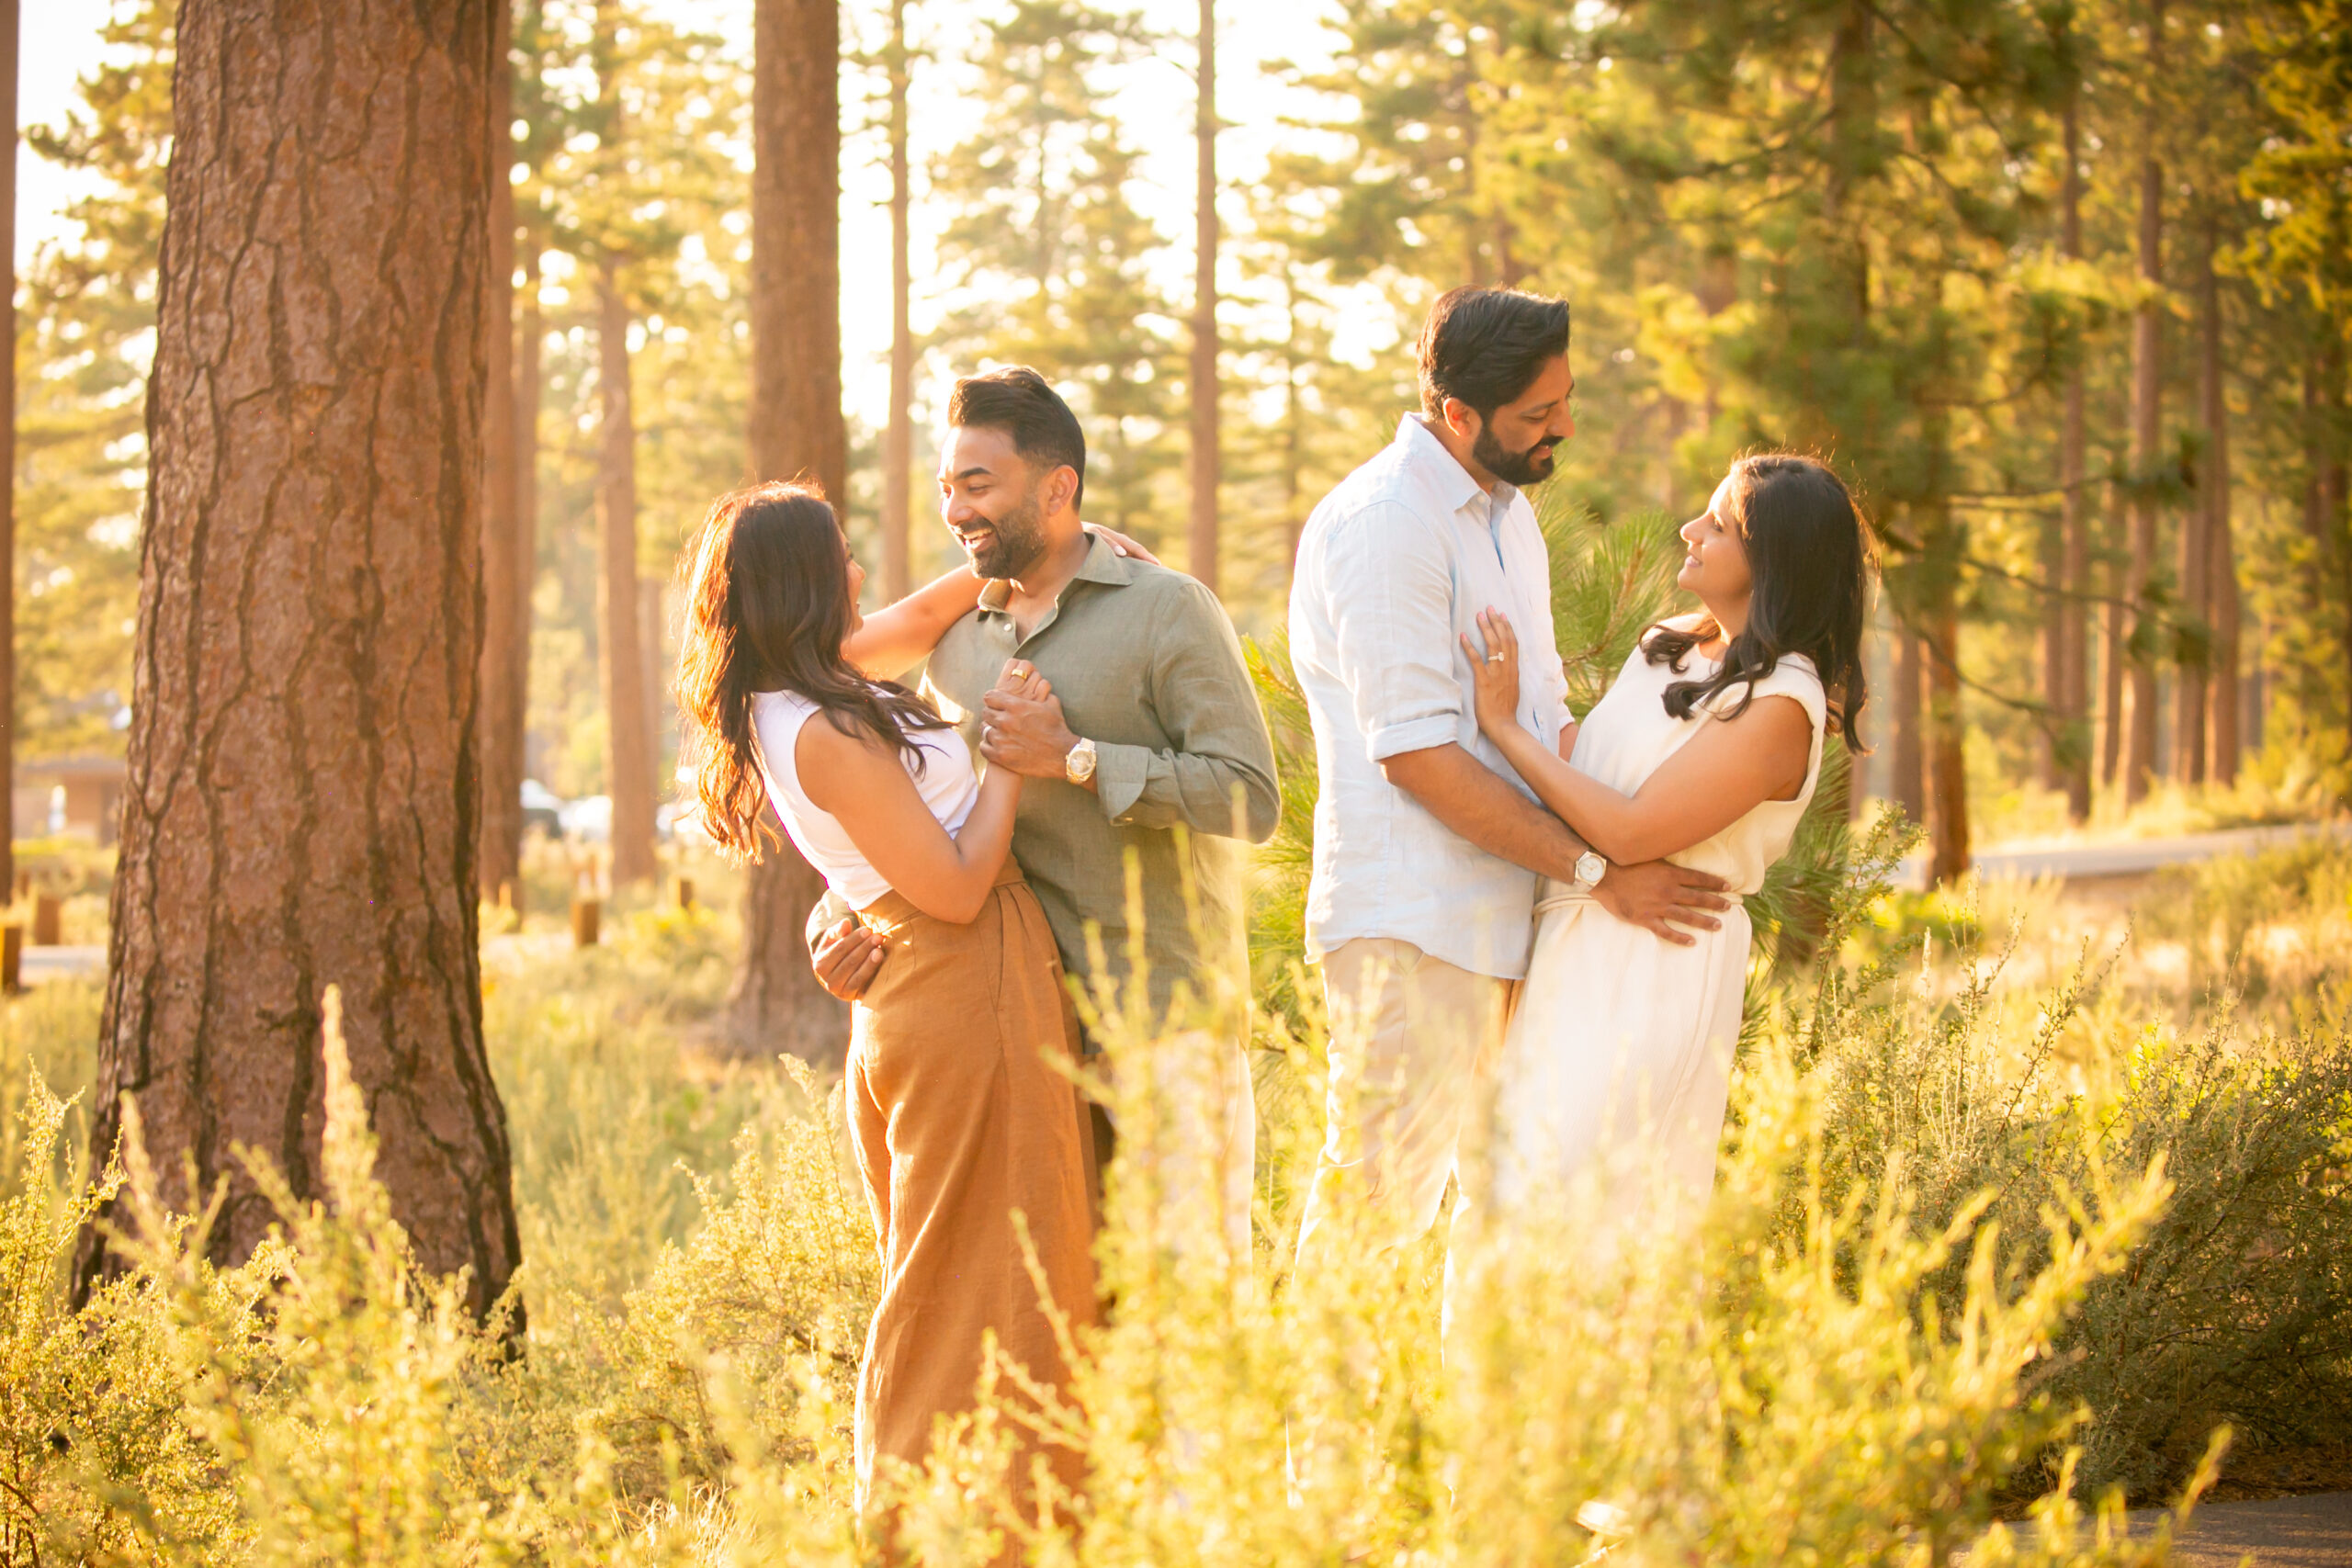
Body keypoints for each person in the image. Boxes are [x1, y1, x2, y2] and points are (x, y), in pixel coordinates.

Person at [1286, 285, 1735, 1274]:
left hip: (1511, 921)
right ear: (1457, 415)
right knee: (1373, 1211)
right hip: (1415, 926)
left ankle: (1452, 1432)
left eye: (1564, 401)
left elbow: (1544, 725)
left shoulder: (1508, 522)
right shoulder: (1385, 524)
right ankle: (1314, 1437)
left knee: (1495, 1219)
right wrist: (1595, 872)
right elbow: (1416, 756)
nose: (1562, 429)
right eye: (1539, 414)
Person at [673, 479, 1097, 1517]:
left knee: (958, 1273)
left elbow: (917, 618)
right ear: (801, 587)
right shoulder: (821, 727)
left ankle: (964, 1517)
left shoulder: (800, 686)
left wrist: (1037, 555)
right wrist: (1007, 754)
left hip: (924, 991)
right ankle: (945, 1526)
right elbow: (951, 887)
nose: (862, 573)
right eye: (841, 560)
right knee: (998, 1281)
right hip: (966, 981)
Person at [809, 366, 1279, 1269]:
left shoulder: (1167, 609)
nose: (954, 509)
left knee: (1187, 1319)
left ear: (1057, 487)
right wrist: (832, 920)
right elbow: (902, 813)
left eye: (977, 484)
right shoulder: (952, 645)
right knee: (1054, 1327)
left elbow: (1248, 797)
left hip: (1161, 1025)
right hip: (1012, 1039)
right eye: (947, 486)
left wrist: (1077, 758)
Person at [1464, 452, 1874, 1231]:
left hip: (1657, 955)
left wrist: (1504, 727)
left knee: (1587, 1204)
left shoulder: (1785, 703)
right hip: (1569, 940)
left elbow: (1628, 825)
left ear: (1773, 561)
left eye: (1717, 523)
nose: (1689, 529)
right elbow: (1590, 766)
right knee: (1505, 1191)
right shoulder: (1670, 644)